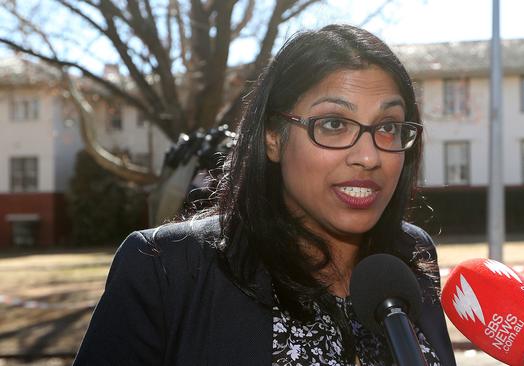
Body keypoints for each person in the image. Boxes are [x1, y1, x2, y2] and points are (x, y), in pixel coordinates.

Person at [73, 24, 454, 366]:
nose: (370, 156)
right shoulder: (165, 269)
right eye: (334, 124)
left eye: (388, 126)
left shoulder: (410, 255)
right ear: (273, 137)